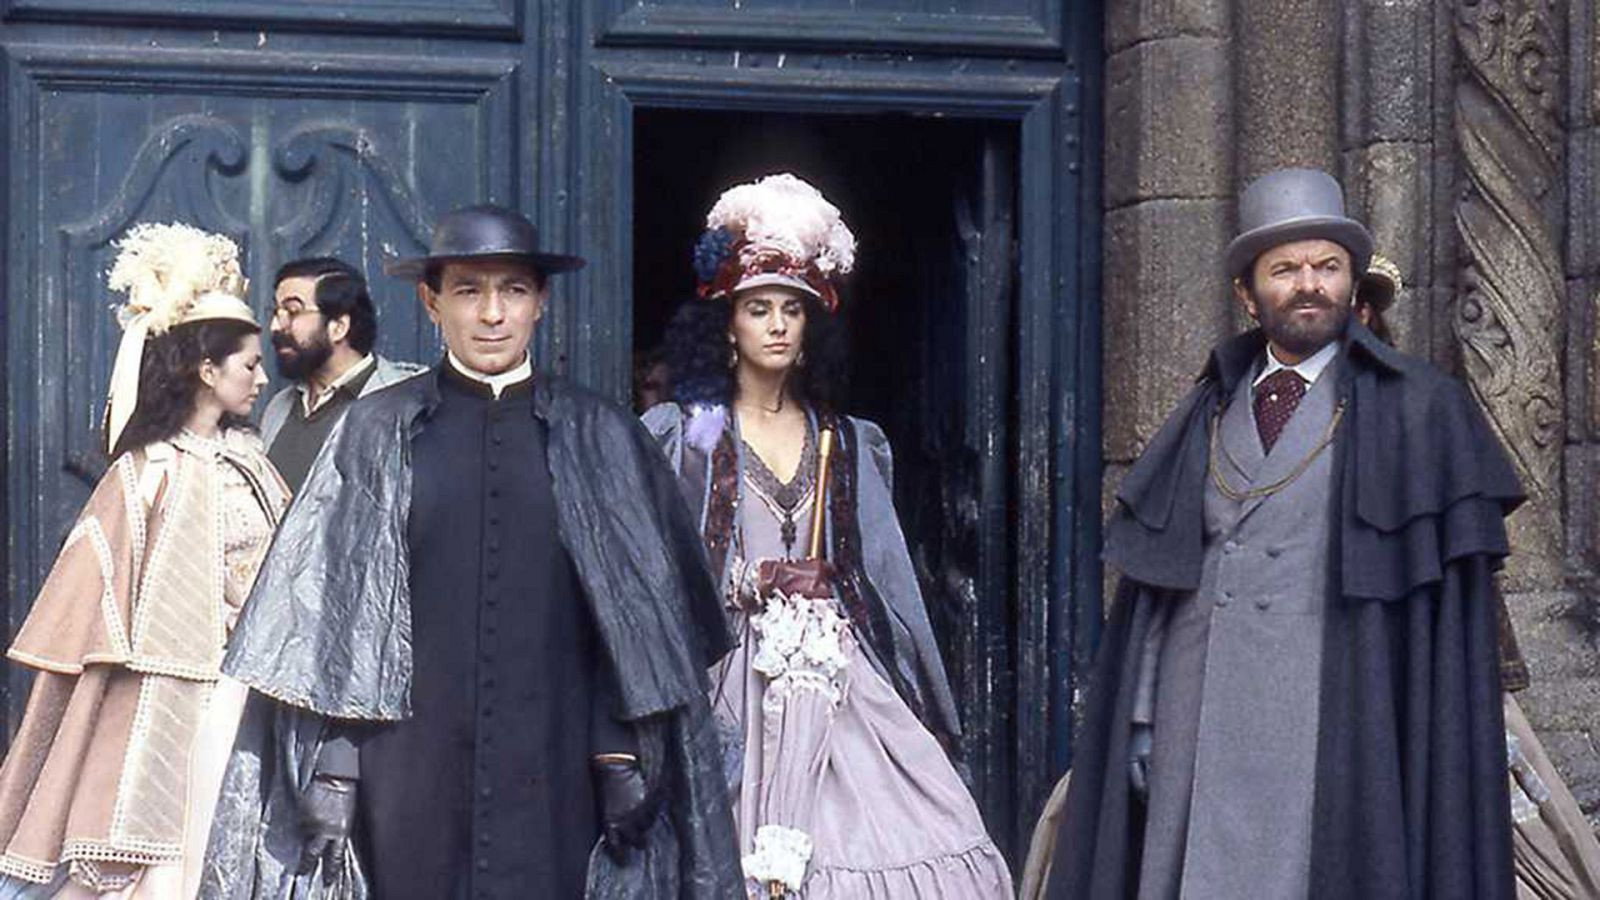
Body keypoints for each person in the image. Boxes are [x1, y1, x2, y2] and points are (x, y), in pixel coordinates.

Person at [203, 204, 742, 899]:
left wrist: (616, 748)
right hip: (404, 768)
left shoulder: (603, 434)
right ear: (432, 303)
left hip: (559, 764)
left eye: (513, 290)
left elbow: (640, 622)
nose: (492, 314)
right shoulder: (374, 430)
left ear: (540, 302)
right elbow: (328, 618)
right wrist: (335, 765)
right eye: (468, 291)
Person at [1047, 168, 1521, 898]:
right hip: (1198, 718)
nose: (1309, 285)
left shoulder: (1421, 411)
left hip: (1335, 718)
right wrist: (1142, 715)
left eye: (1327, 267)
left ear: (1352, 284)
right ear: (1248, 293)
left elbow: (1447, 627)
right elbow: (1161, 585)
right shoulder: (1205, 408)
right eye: (1286, 269)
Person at [644, 173, 1013, 897]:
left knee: (917, 826)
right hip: (726, 675)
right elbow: (658, 568)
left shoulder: (844, 441)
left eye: (792, 309)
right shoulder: (690, 435)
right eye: (758, 309)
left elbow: (888, 579)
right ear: (728, 325)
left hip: (837, 676)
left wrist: (913, 686)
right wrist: (741, 585)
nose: (777, 325)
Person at [0, 223, 288, 898]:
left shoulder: (252, 460)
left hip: (250, 689)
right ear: (206, 369)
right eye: (249, 364)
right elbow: (94, 583)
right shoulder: (148, 471)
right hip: (159, 694)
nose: (261, 377)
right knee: (150, 851)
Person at [1356, 255, 1600, 900]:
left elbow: (1464, 553)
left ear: (1367, 315)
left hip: (1432, 658)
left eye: (1357, 303)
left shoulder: (1419, 410)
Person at [260, 257, 424, 492]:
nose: (276, 326)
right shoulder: (278, 407)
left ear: (338, 327)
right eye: (276, 312)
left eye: (293, 311)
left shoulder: (404, 404)